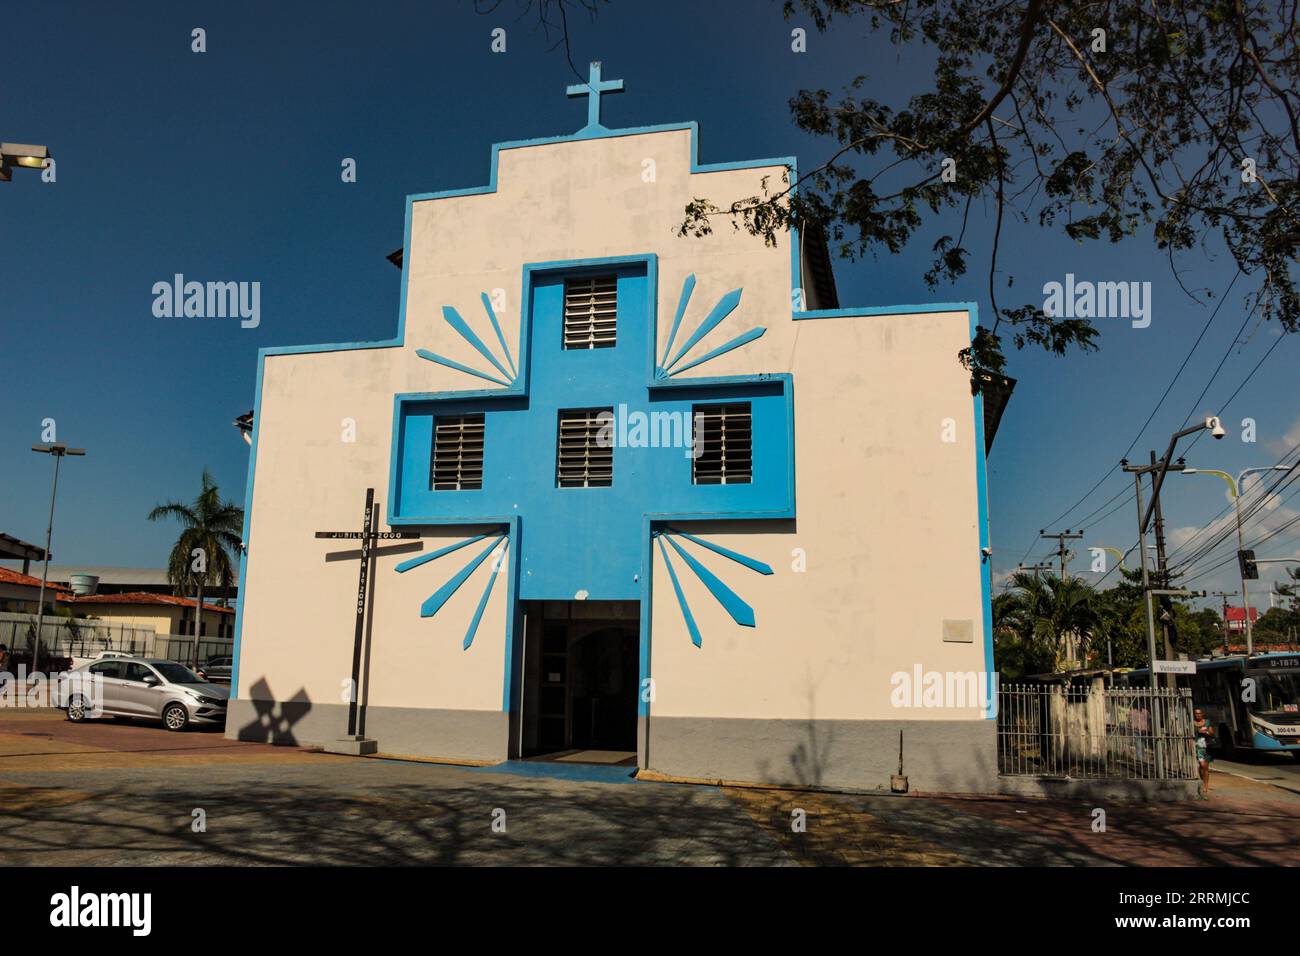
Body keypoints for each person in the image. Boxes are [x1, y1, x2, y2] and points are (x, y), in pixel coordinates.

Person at [1194, 708, 1215, 799]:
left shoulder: (1207, 722)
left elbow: (1212, 732)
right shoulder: (1193, 723)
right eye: (1196, 713)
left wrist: (1206, 731)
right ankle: (1202, 782)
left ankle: (1206, 784)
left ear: (1202, 714)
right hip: (1197, 747)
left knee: (1205, 767)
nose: (1198, 715)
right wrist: (1197, 731)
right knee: (1201, 765)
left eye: (1199, 713)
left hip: (1206, 747)